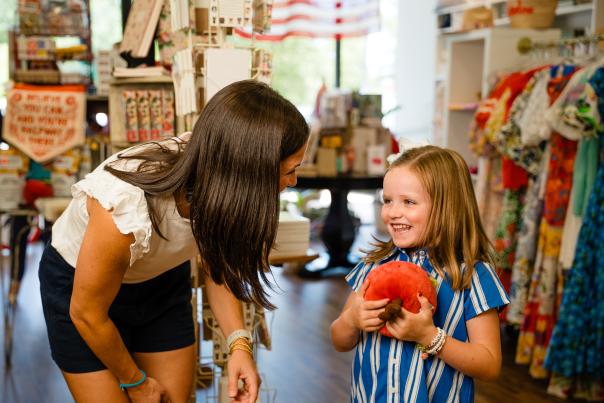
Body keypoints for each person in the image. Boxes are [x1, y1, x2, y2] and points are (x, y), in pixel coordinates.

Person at [38, 80, 309, 403]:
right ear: (250, 170)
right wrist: (135, 382)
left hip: (159, 282)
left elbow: (217, 269)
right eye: (290, 171)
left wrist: (239, 347)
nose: (293, 182)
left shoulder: (222, 182)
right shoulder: (123, 205)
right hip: (80, 295)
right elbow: (86, 314)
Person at [330, 145, 509, 402]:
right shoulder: (374, 266)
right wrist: (351, 320)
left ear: (447, 207)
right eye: (387, 200)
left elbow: (490, 365)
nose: (392, 212)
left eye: (409, 202)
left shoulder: (473, 276)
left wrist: (430, 337)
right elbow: (339, 340)